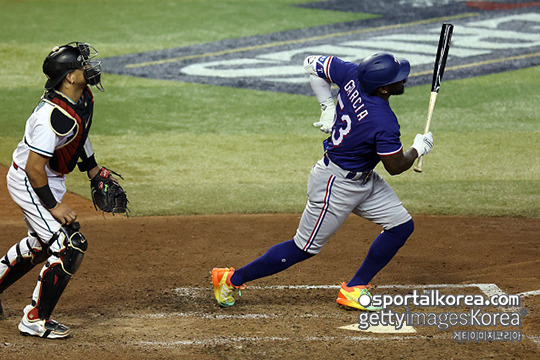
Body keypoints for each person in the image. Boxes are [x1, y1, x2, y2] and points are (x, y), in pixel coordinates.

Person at [212, 52, 434, 310]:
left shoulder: (351, 73)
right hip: (336, 184)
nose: (404, 80)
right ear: (383, 88)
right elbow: (395, 166)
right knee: (303, 248)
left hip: (363, 179)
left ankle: (355, 288)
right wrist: (419, 148)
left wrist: (327, 105)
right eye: (399, 79)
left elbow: (310, 64)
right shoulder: (382, 120)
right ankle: (230, 279)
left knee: (401, 226)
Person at [0, 42, 108, 338]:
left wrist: (94, 170)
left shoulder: (81, 98)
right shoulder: (51, 117)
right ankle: (34, 319)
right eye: (82, 64)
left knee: (39, 244)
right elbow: (34, 168)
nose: (89, 67)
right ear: (69, 77)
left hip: (50, 178)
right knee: (69, 245)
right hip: (29, 180)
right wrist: (53, 206)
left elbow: (79, 135)